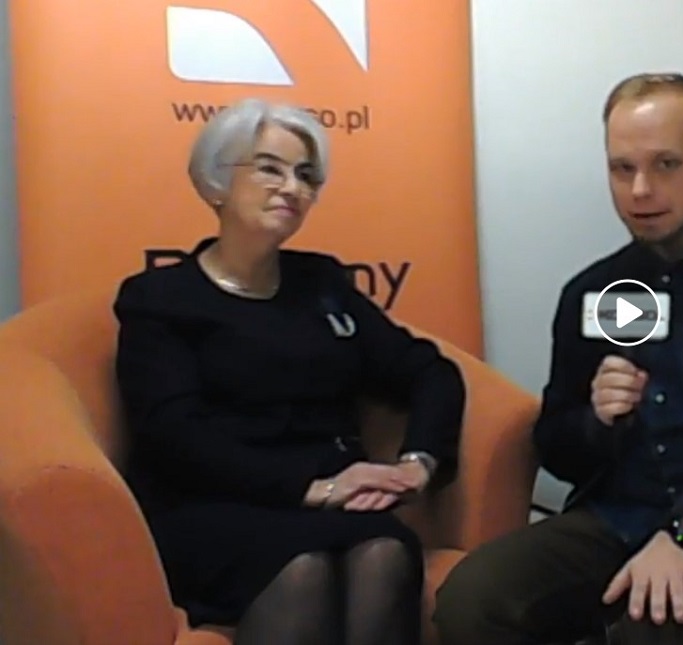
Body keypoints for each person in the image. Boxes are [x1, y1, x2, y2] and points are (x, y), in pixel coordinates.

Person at [432, 73, 683, 644]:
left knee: (651, 627)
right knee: (474, 598)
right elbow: (556, 443)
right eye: (622, 168)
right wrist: (597, 420)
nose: (640, 190)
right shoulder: (595, 291)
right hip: (616, 518)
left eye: (666, 165)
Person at [113, 97, 465, 645]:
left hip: (335, 499)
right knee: (304, 569)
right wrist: (313, 488)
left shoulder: (321, 284)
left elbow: (429, 371)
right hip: (212, 503)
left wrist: (418, 463)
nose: (291, 188)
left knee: (385, 551)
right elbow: (174, 436)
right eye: (269, 169)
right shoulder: (161, 298)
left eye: (305, 175)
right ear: (215, 183)